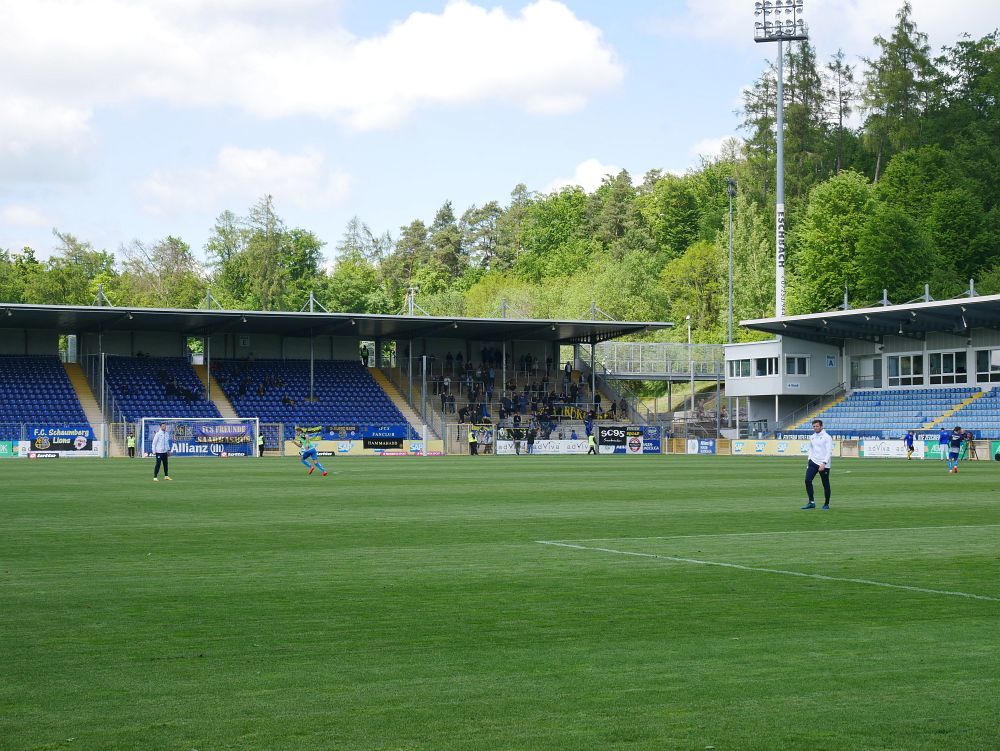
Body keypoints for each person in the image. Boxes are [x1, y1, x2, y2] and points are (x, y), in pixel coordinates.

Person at [802, 419, 832, 509]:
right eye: (814, 426)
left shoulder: (827, 437)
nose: (815, 428)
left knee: (825, 484)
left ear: (821, 426)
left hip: (824, 464)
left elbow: (829, 452)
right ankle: (811, 502)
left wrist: (824, 463)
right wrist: (809, 460)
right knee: (807, 480)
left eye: (817, 426)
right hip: (813, 462)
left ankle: (826, 504)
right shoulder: (812, 437)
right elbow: (811, 449)